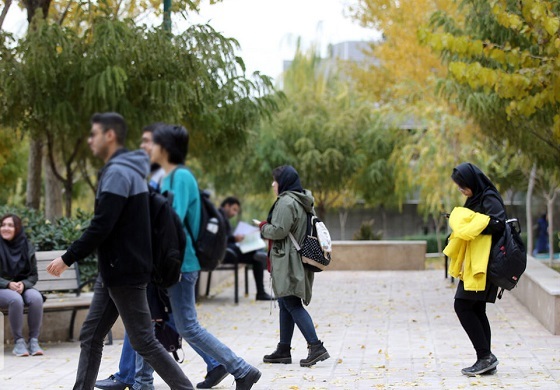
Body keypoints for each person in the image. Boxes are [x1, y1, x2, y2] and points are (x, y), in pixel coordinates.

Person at [46, 112, 194, 390]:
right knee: (91, 337)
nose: (90, 140)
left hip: (123, 270)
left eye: (94, 134)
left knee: (144, 341)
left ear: (110, 135)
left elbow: (102, 225)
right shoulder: (129, 170)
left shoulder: (118, 172)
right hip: (115, 270)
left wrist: (68, 258)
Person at [151, 124, 261, 390]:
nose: (150, 149)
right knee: (169, 323)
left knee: (188, 326)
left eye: (154, 144)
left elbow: (170, 220)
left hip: (181, 262)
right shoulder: (166, 178)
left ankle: (241, 369)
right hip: (171, 262)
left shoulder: (181, 178)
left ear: (165, 149)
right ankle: (142, 380)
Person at [94, 122, 173, 390]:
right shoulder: (146, 175)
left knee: (171, 325)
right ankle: (135, 378)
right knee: (143, 324)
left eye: (148, 141)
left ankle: (226, 365)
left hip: (149, 262)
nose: (142, 146)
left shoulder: (166, 178)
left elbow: (164, 223)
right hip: (140, 261)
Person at [258, 165, 330, 367]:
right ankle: (283, 349)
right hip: (297, 259)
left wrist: (263, 227)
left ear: (284, 182)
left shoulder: (286, 201)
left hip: (288, 261)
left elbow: (279, 231)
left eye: (275, 180)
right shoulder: (303, 200)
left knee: (291, 303)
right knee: (284, 303)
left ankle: (316, 347)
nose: (273, 184)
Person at [447, 162, 506, 376]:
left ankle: (485, 357)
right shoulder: (477, 198)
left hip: (485, 263)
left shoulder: (488, 196)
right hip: (475, 262)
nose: (462, 191)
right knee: (476, 309)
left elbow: (499, 222)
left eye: (464, 186)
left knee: (462, 305)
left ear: (472, 182)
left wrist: (472, 223)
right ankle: (486, 359)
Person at [0, 213, 44, 357]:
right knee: (15, 299)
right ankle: (18, 342)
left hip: (21, 286)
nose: (5, 228)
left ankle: (33, 341)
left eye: (10, 225)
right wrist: (7, 284)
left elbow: (33, 275)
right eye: (3, 225)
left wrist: (23, 284)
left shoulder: (26, 246)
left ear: (17, 229)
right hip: (2, 288)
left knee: (36, 298)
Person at [219, 196, 273, 301]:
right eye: (234, 209)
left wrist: (236, 239)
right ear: (227, 205)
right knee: (257, 257)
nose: (234, 213)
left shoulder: (222, 217)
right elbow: (219, 239)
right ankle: (261, 293)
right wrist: (234, 238)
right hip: (224, 253)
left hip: (229, 251)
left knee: (256, 256)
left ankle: (261, 292)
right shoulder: (218, 217)